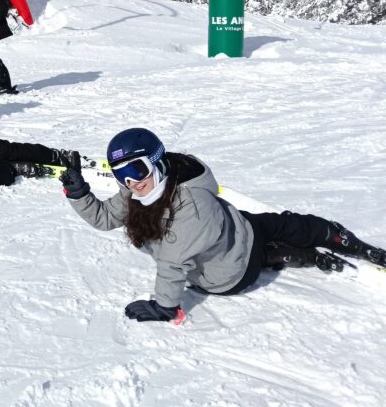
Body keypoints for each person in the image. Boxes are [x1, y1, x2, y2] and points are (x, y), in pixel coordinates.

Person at [59, 127, 386, 325]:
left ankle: (340, 241)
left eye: (136, 169)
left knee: (284, 224)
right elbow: (105, 218)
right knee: (267, 241)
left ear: (157, 162)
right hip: (230, 274)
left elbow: (171, 265)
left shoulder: (192, 205)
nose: (131, 182)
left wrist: (164, 307)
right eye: (120, 174)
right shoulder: (142, 188)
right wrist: (79, 194)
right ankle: (292, 253)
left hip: (236, 230)